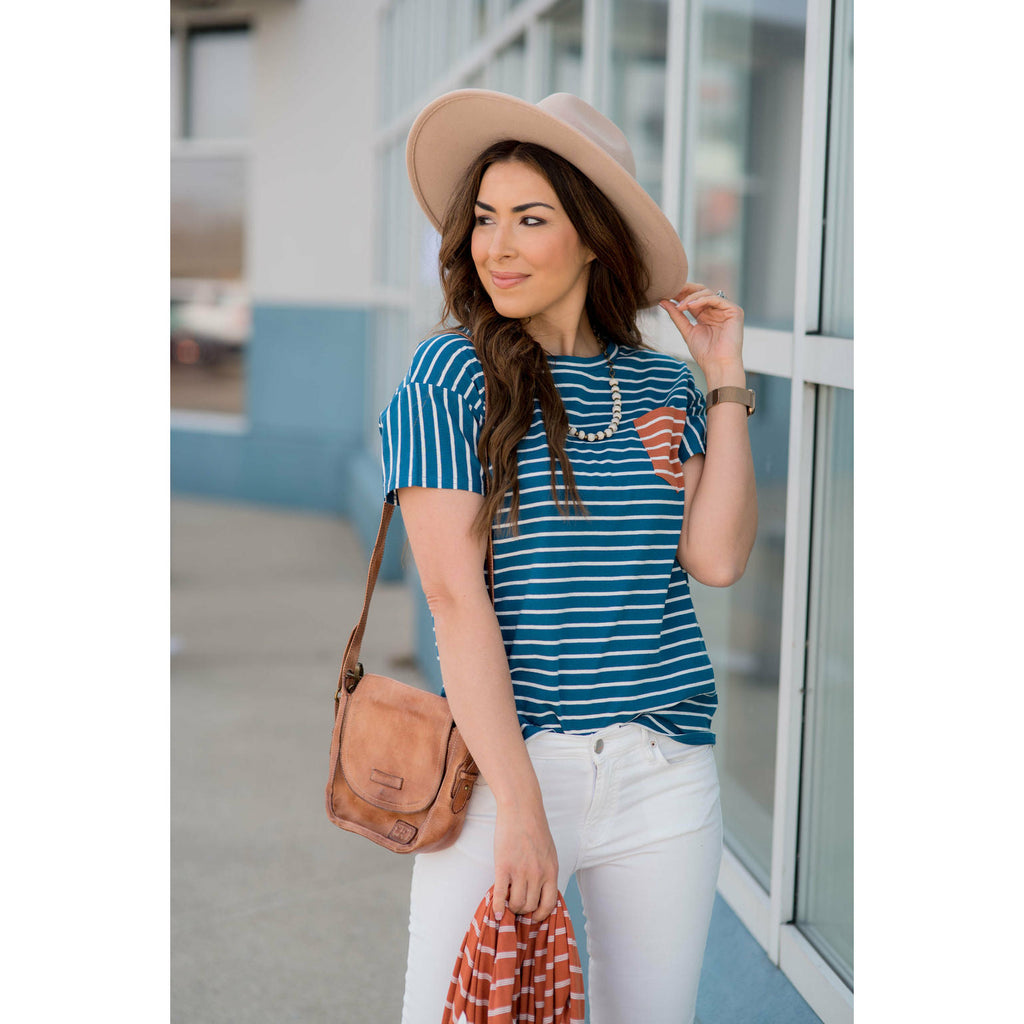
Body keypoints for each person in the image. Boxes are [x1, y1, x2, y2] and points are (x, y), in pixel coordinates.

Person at [379, 90, 757, 1024]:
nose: (496, 247)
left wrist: (725, 379)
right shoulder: (450, 374)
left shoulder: (664, 381)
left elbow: (714, 560)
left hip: (664, 767)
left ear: (592, 236)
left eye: (530, 220)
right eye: (483, 220)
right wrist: (521, 812)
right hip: (507, 763)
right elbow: (455, 605)